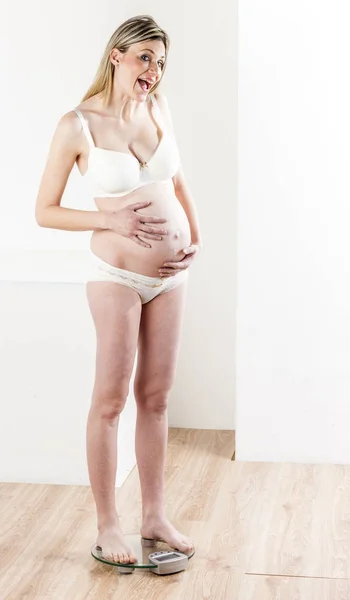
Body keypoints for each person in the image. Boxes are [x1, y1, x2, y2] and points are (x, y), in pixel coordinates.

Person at [35, 14, 202, 565]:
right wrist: (108, 223)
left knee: (155, 398)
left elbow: (177, 182)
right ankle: (109, 524)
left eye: (160, 61)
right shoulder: (77, 125)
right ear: (116, 55)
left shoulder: (158, 108)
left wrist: (194, 239)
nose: (153, 70)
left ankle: (154, 515)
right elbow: (45, 211)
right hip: (116, 277)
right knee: (110, 400)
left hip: (172, 277)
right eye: (144, 57)